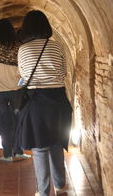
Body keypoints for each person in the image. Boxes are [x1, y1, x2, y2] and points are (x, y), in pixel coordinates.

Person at [17, 10, 72, 195]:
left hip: (36, 102)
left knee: (40, 147)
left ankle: (43, 191)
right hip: (57, 99)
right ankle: (60, 183)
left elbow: (24, 76)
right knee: (56, 142)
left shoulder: (23, 49)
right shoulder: (57, 46)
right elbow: (63, 71)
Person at [0, 18, 31, 162]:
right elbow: (24, 71)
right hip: (16, 90)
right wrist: (21, 84)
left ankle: (7, 154)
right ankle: (18, 151)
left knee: (4, 122)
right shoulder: (18, 47)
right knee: (18, 121)